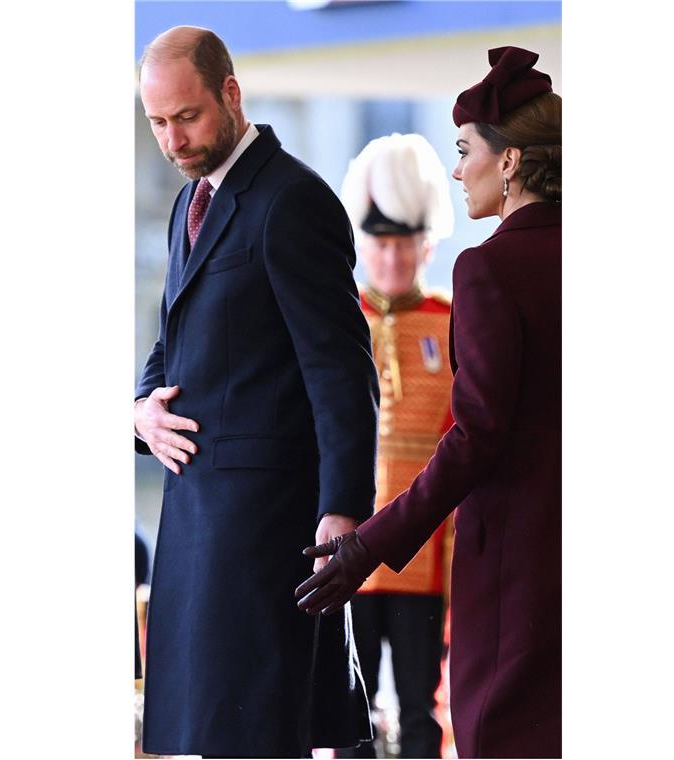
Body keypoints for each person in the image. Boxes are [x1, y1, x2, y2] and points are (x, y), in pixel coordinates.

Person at [295, 46, 562, 758]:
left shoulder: (485, 273)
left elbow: (474, 437)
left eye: (465, 149)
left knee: (450, 722)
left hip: (480, 562)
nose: (456, 167)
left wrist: (366, 546)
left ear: (508, 162)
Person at [133, 26, 379, 758]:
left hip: (266, 537)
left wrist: (342, 512)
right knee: (214, 740)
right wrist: (140, 409)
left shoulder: (292, 200)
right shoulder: (189, 205)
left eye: (188, 118)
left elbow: (342, 369)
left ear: (231, 95)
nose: (173, 140)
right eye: (157, 123)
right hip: (200, 528)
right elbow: (172, 337)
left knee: (264, 739)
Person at [336, 133, 455, 759]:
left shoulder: (451, 320)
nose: (391, 257)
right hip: (348, 551)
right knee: (347, 714)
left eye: (403, 242)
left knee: (419, 707)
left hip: (423, 557)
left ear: (425, 245)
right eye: (380, 243)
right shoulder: (340, 321)